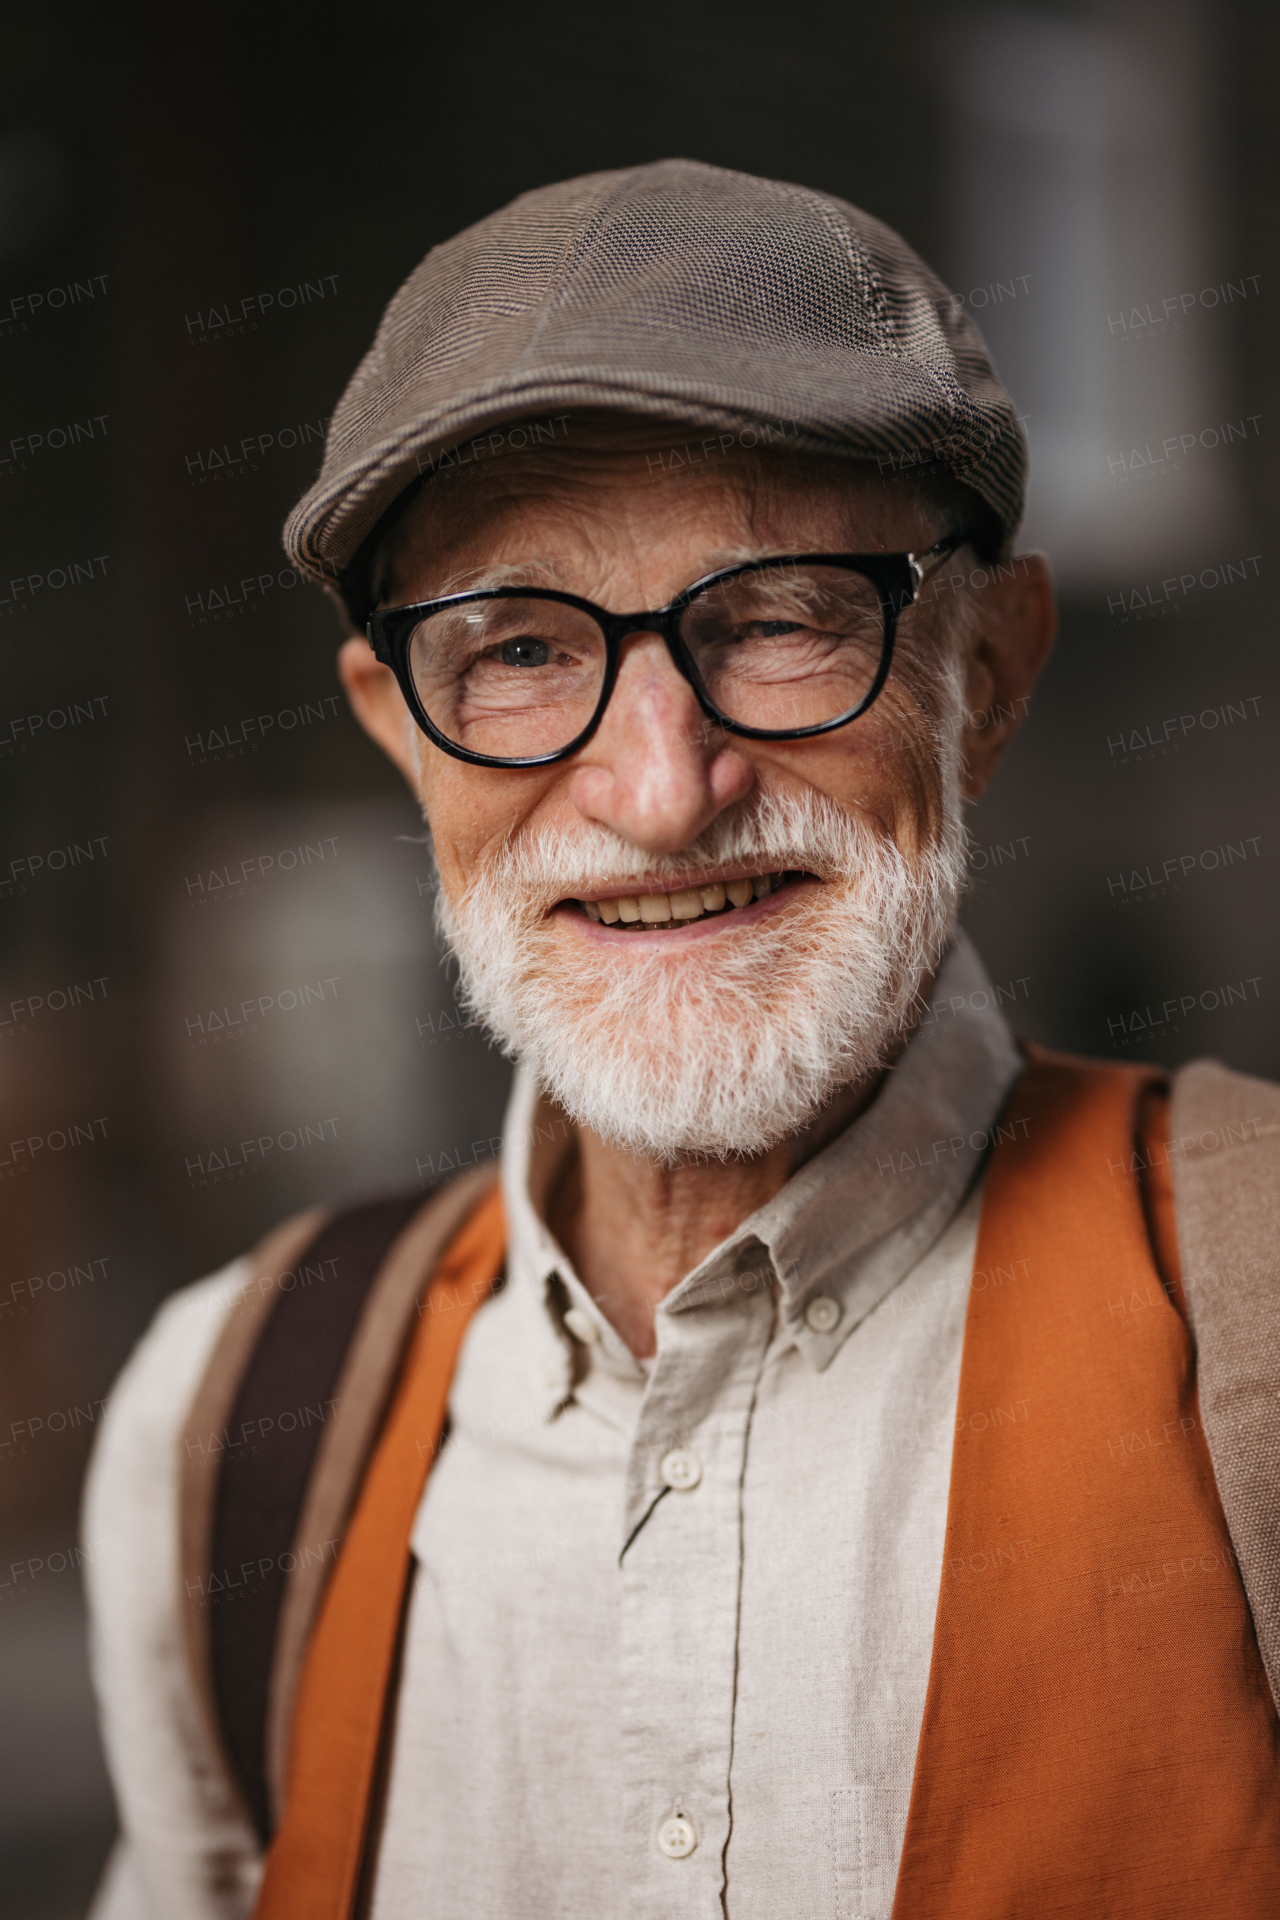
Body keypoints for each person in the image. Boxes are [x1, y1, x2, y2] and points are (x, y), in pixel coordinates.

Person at [83, 160, 1280, 1920]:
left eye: (782, 620)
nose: (658, 796)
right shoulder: (228, 1415)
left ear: (992, 672)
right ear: (398, 732)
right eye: (513, 652)